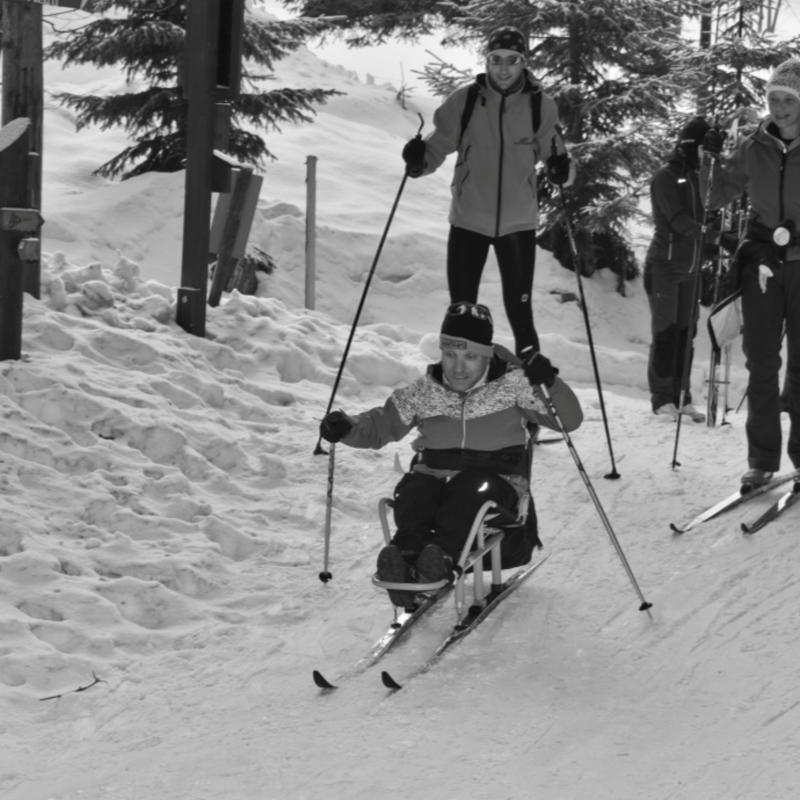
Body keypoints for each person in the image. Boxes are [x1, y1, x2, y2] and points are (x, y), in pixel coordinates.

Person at [319, 302, 583, 607]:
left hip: (496, 482)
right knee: (414, 490)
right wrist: (347, 428)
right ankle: (404, 560)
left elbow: (568, 420)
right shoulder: (427, 390)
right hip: (435, 476)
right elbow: (381, 425)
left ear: (487, 354)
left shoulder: (515, 386)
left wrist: (549, 383)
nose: (458, 368)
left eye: (470, 356)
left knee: (469, 490)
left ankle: (440, 559)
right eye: (451, 355)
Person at [400, 26, 575, 358]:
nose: (504, 68)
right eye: (496, 59)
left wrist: (563, 172)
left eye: (512, 60)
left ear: (523, 63)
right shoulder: (465, 101)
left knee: (521, 315)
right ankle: (455, 392)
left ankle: (534, 394)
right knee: (461, 313)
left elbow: (558, 158)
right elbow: (436, 148)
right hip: (469, 221)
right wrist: (417, 160)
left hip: (518, 225)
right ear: (487, 61)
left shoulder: (540, 106)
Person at [703, 57, 800, 490]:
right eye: (773, 98)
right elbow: (718, 194)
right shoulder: (752, 145)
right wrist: (704, 159)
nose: (779, 107)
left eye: (789, 99)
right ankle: (761, 461)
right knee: (761, 362)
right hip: (763, 262)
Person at [643, 116, 737, 423]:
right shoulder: (665, 177)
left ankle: (681, 396)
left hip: (692, 269)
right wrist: (710, 233)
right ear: (690, 146)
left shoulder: (700, 178)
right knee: (666, 332)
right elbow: (677, 221)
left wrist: (720, 228)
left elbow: (708, 213)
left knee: (687, 332)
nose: (705, 155)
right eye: (702, 148)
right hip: (665, 266)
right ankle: (661, 399)